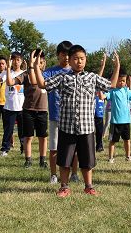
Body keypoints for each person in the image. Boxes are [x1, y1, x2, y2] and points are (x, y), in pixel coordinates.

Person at [34, 46, 119, 197]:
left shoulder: (92, 77)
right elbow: (43, 84)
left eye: (82, 58)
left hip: (86, 128)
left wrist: (117, 66)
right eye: (75, 58)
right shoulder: (62, 77)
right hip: (66, 126)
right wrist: (35, 67)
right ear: (70, 60)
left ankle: (89, 186)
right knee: (65, 160)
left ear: (85, 60)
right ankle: (64, 187)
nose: (79, 62)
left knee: (87, 160)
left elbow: (111, 85)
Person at [38, 41, 79, 184]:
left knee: (73, 149)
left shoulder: (75, 72)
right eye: (63, 55)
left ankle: (74, 173)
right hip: (55, 115)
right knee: (54, 147)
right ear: (58, 55)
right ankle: (54, 175)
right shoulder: (50, 72)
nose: (66, 58)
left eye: (68, 55)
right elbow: (40, 81)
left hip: (72, 116)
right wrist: (34, 66)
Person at [10, 49, 48, 169]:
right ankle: (28, 160)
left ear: (44, 63)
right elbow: (13, 82)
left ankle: (43, 160)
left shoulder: (47, 75)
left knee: (42, 137)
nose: (39, 65)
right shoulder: (26, 74)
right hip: (28, 110)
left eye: (41, 62)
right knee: (28, 137)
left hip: (42, 110)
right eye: (36, 62)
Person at [107, 71, 131, 163]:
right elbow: (104, 96)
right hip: (115, 122)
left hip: (126, 121)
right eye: (119, 81)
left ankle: (128, 156)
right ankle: (111, 158)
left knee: (127, 140)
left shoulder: (126, 91)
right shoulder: (112, 91)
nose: (121, 83)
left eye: (123, 81)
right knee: (112, 141)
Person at [0, 52, 25, 157]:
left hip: (22, 107)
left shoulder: (25, 73)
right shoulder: (7, 72)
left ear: (21, 61)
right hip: (9, 106)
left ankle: (24, 149)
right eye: (13, 60)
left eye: (18, 60)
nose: (15, 62)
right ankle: (5, 149)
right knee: (8, 130)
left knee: (22, 131)